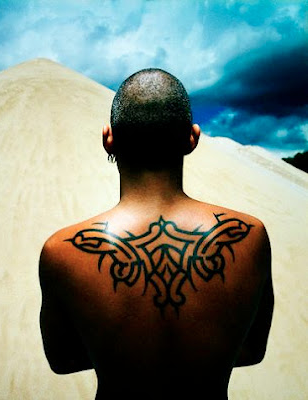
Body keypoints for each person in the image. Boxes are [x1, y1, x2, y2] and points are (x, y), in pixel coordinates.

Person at [39, 68, 274, 399]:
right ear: (192, 139)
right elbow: (252, 351)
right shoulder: (250, 235)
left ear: (109, 137)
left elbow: (62, 361)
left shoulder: (62, 249)